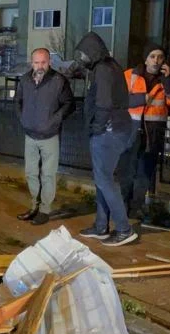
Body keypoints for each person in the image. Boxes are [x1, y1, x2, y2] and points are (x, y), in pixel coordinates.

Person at [73, 32, 138, 246]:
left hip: (108, 132)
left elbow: (103, 103)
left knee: (105, 180)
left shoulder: (102, 69)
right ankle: (101, 226)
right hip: (115, 129)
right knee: (103, 178)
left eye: (83, 54)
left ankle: (123, 229)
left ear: (92, 52)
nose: (81, 58)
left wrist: (97, 128)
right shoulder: (110, 66)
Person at [119, 43, 170, 220]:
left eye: (160, 57)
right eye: (152, 56)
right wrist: (142, 99)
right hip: (130, 131)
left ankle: (136, 208)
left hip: (153, 133)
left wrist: (168, 81)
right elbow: (118, 99)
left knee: (144, 174)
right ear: (145, 58)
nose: (156, 60)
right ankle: (122, 207)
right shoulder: (129, 75)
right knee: (127, 172)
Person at [16, 49, 75, 225]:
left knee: (48, 175)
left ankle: (45, 210)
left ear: (49, 62)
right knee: (31, 173)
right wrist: (23, 118)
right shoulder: (25, 80)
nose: (40, 66)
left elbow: (69, 104)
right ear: (31, 63)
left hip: (50, 136)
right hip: (30, 135)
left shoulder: (59, 81)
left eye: (43, 62)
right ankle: (35, 206)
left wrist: (54, 120)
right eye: (36, 62)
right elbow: (17, 101)